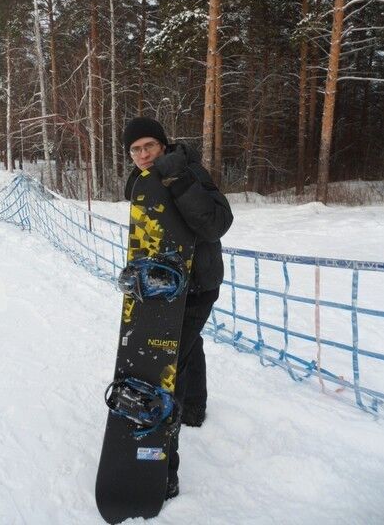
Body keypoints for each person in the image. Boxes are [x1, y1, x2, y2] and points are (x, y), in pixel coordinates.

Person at [123, 116, 234, 500]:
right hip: (166, 285)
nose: (142, 155)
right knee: (187, 346)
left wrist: (177, 179)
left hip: (197, 285)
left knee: (167, 370)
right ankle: (195, 408)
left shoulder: (188, 171)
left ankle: (164, 470)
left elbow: (216, 224)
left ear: (164, 145)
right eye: (135, 150)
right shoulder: (143, 177)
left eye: (149, 147)